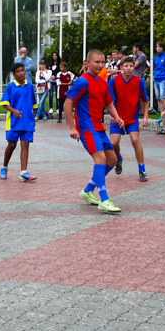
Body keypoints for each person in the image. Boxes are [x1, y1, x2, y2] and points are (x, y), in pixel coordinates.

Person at [63, 49, 127, 213]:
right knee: (100, 159)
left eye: (102, 62)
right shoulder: (82, 82)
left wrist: (117, 117)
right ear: (88, 63)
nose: (100, 65)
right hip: (86, 127)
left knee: (112, 160)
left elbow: (108, 103)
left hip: (98, 127)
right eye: (96, 62)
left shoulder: (103, 82)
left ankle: (87, 190)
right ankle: (104, 199)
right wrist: (72, 127)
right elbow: (67, 103)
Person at [108, 55, 149, 181]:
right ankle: (118, 158)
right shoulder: (114, 80)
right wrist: (113, 116)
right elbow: (108, 101)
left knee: (135, 140)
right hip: (117, 117)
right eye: (126, 66)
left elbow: (145, 100)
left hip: (132, 117)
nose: (129, 68)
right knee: (113, 143)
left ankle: (142, 170)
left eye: (131, 66)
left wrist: (145, 116)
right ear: (121, 67)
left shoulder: (138, 81)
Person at [0, 62, 38, 182]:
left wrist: (34, 117)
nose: (21, 73)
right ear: (14, 74)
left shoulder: (30, 86)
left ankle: (23, 172)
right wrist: (14, 111)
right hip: (14, 122)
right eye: (18, 71)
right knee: (12, 144)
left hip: (27, 121)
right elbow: (4, 103)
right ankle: (4, 167)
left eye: (22, 70)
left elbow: (33, 103)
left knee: (25, 145)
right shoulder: (11, 87)